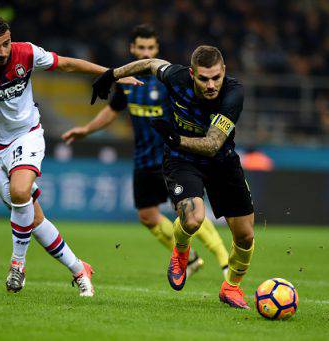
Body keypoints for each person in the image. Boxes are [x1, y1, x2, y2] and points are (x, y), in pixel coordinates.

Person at [0, 15, 141, 296]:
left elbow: (65, 63)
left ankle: (17, 264)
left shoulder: (25, 52)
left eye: (5, 44)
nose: (2, 52)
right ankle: (79, 268)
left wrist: (112, 74)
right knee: (33, 219)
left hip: (26, 134)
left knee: (20, 191)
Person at [90, 45, 255, 309]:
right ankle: (180, 252)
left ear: (224, 71)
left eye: (216, 77)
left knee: (245, 236)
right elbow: (150, 63)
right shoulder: (177, 77)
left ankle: (231, 288)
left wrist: (176, 138)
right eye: (203, 78)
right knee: (193, 218)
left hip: (222, 162)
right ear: (192, 74)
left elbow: (213, 144)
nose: (211, 84)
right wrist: (112, 75)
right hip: (183, 161)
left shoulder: (233, 93)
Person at [62, 25, 229, 277]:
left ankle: (223, 259)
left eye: (150, 48)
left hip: (172, 157)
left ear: (157, 50)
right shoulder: (127, 82)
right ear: (132, 48)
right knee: (148, 216)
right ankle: (191, 259)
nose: (145, 52)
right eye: (141, 47)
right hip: (143, 158)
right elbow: (113, 110)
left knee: (188, 210)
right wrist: (86, 130)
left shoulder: (169, 80)